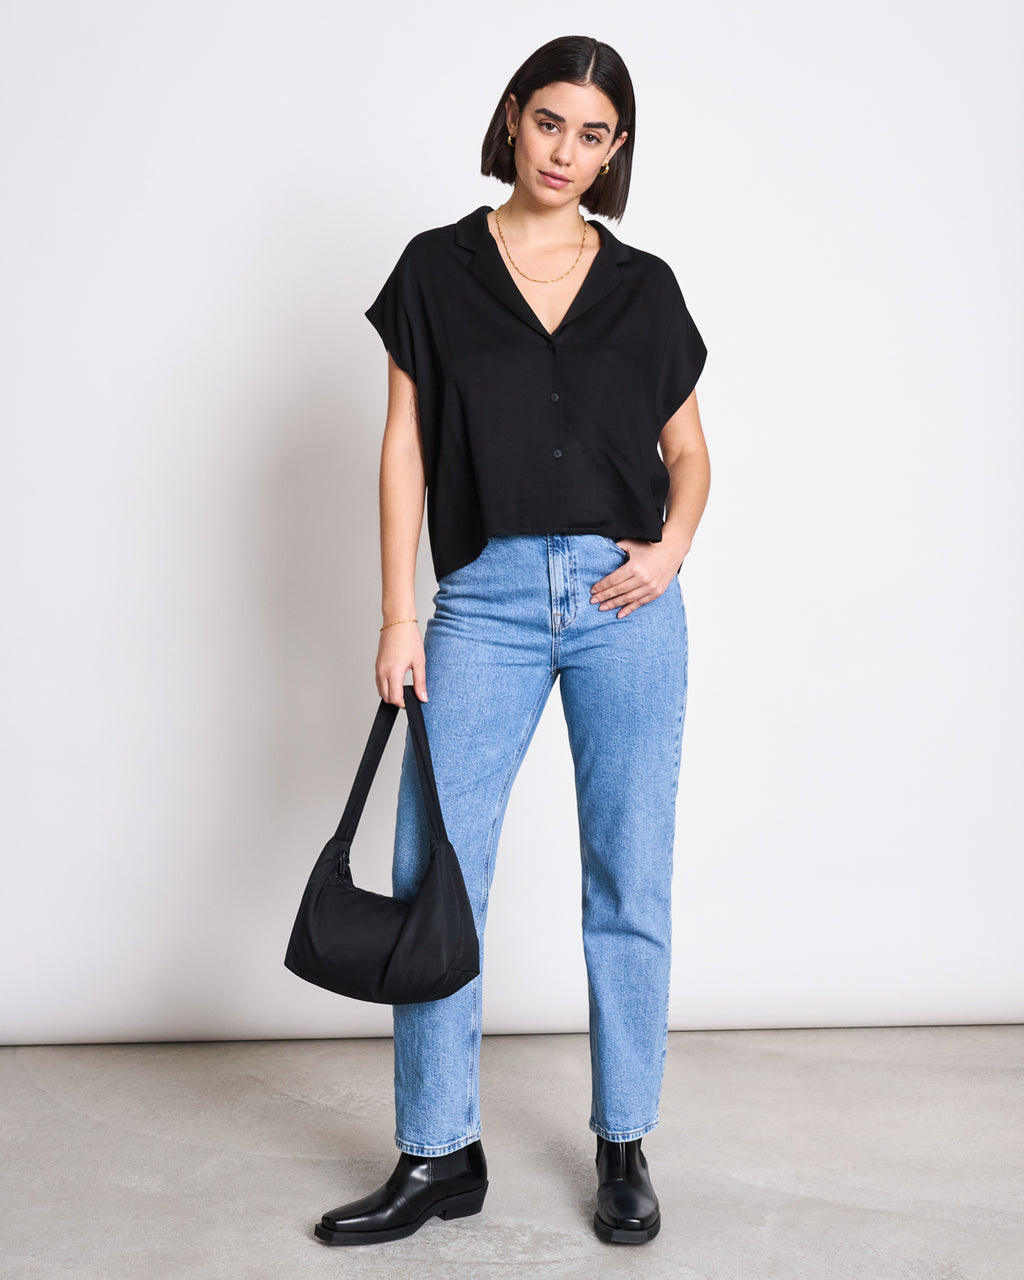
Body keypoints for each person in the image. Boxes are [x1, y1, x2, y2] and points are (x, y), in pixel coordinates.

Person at [315, 33, 710, 1248]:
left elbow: (687, 452)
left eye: (594, 135)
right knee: (440, 875)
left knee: (627, 876)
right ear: (513, 118)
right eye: (551, 123)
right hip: (480, 598)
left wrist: (671, 547)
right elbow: (404, 446)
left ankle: (624, 1140)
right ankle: (438, 1151)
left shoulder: (642, 286)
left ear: (616, 150)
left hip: (620, 602)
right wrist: (399, 611)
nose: (567, 152)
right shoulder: (437, 269)